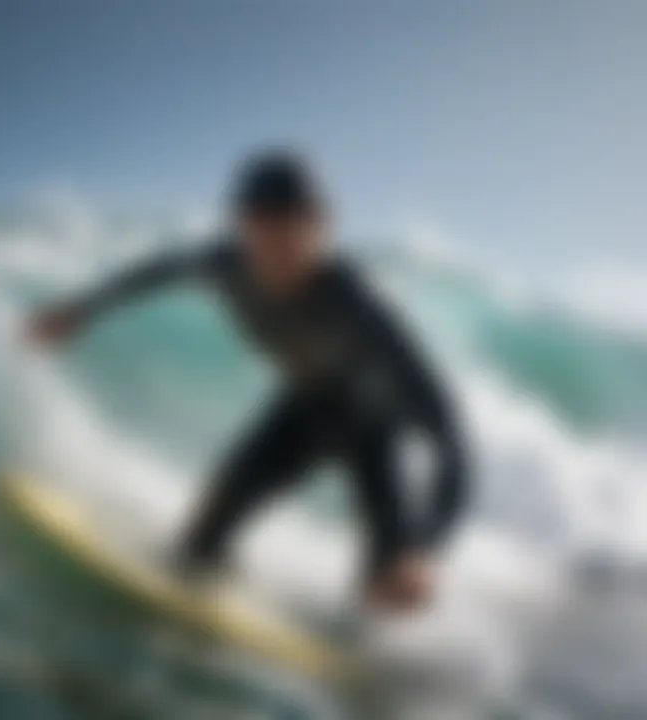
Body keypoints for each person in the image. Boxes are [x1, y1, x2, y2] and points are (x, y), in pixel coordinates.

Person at [29, 150, 468, 612]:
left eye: (290, 224)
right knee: (197, 546)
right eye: (259, 222)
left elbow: (451, 441)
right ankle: (210, 594)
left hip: (371, 427)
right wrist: (81, 309)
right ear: (241, 223)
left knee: (389, 586)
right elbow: (154, 273)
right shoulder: (226, 263)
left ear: (321, 226)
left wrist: (424, 549)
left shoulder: (360, 306)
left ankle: (379, 644)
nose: (274, 241)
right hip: (305, 407)